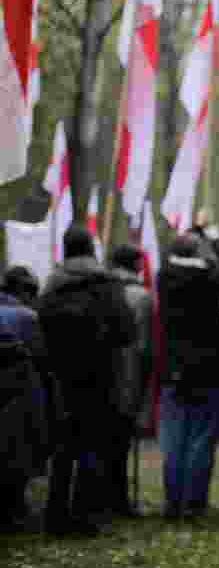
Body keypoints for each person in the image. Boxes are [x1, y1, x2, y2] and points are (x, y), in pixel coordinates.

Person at [37, 226, 135, 537]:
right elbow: (126, 331)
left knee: (63, 447)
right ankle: (84, 514)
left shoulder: (52, 286)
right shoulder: (106, 284)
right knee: (93, 444)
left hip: (61, 376)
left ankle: (55, 514)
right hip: (100, 374)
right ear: (91, 249)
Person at [157, 231, 219, 521]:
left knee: (173, 442)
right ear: (199, 254)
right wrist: (217, 241)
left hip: (174, 371)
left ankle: (172, 502)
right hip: (209, 372)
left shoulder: (164, 277)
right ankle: (193, 504)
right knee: (201, 440)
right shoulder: (211, 278)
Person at [106, 244, 153, 517]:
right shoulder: (140, 297)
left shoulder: (103, 289)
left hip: (102, 375)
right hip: (128, 375)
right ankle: (118, 500)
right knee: (120, 443)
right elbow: (143, 345)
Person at [0, 266, 49, 532]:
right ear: (24, 291)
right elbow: (42, 358)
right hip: (18, 393)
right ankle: (15, 510)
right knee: (17, 454)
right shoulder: (27, 317)